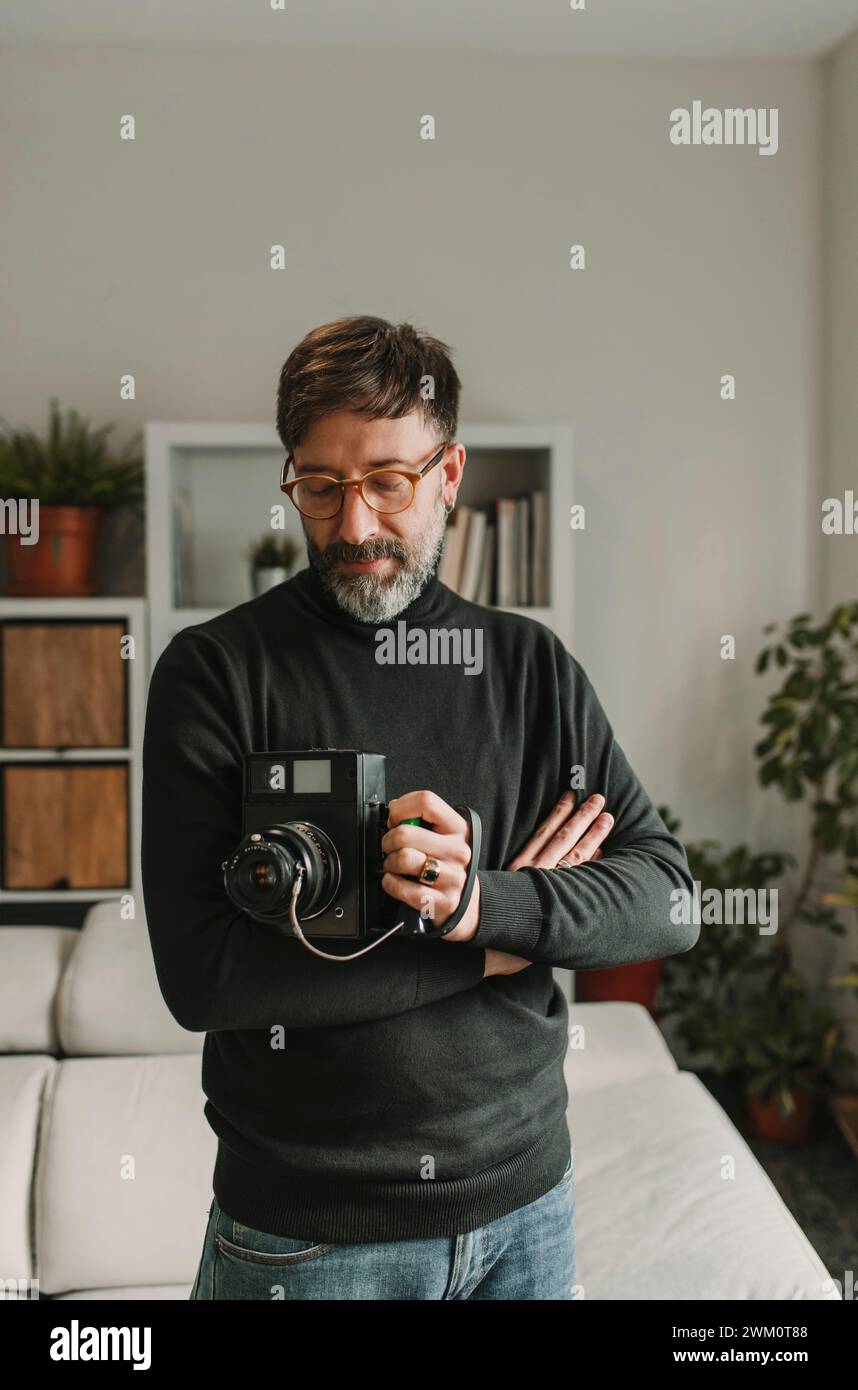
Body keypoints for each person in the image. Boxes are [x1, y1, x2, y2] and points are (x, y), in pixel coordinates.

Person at [141, 314, 698, 1301]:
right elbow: (207, 976)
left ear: (449, 473)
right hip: (308, 1239)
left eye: (388, 483)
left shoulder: (529, 669)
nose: (353, 526)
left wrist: (485, 903)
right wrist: (489, 943)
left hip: (527, 1211)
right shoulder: (217, 672)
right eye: (320, 487)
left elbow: (668, 897)